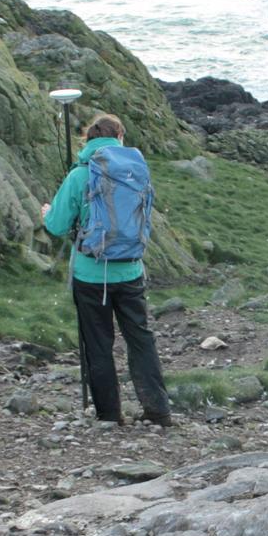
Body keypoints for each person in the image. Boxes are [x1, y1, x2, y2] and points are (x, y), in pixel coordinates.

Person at [41, 113, 172, 426]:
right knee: (140, 339)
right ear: (120, 138)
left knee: (98, 343)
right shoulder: (137, 171)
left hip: (90, 274)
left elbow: (57, 226)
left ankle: (109, 415)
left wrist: (47, 212)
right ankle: (158, 410)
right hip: (131, 271)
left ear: (88, 141)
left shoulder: (80, 175)